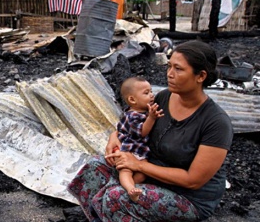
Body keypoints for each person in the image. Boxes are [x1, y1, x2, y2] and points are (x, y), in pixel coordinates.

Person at [67, 40, 233, 222]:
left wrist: (138, 165)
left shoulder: (216, 123)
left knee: (117, 197)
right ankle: (98, 216)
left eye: (178, 69)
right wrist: (114, 137)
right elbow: (136, 125)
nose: (169, 74)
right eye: (169, 66)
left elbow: (193, 180)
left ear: (200, 76)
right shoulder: (164, 98)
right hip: (152, 175)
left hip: (189, 197)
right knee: (95, 167)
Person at [115, 77, 164, 202]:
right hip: (129, 152)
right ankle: (129, 187)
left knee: (142, 175)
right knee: (125, 171)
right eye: (146, 93)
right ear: (132, 99)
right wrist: (152, 118)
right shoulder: (132, 116)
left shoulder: (144, 112)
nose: (152, 95)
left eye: (151, 91)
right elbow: (142, 132)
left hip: (142, 154)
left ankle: (131, 189)